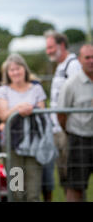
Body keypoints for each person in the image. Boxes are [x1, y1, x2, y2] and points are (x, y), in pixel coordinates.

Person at [0, 54, 48, 202]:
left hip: (34, 147)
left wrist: (33, 109)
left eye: (18, 68)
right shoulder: (4, 91)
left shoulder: (36, 89)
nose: (15, 72)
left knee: (33, 192)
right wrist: (19, 108)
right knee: (17, 191)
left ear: (24, 69)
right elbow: (3, 115)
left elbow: (42, 113)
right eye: (11, 70)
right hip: (13, 147)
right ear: (7, 73)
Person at [44, 31, 81, 201]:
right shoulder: (60, 66)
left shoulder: (72, 65)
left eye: (51, 47)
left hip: (67, 129)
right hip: (58, 129)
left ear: (62, 45)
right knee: (63, 174)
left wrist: (65, 125)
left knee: (71, 176)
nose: (48, 51)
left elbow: (77, 97)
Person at [57, 44, 93, 202]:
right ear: (80, 59)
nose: (91, 61)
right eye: (87, 57)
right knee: (75, 186)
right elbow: (61, 114)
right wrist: (70, 132)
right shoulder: (71, 84)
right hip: (79, 139)